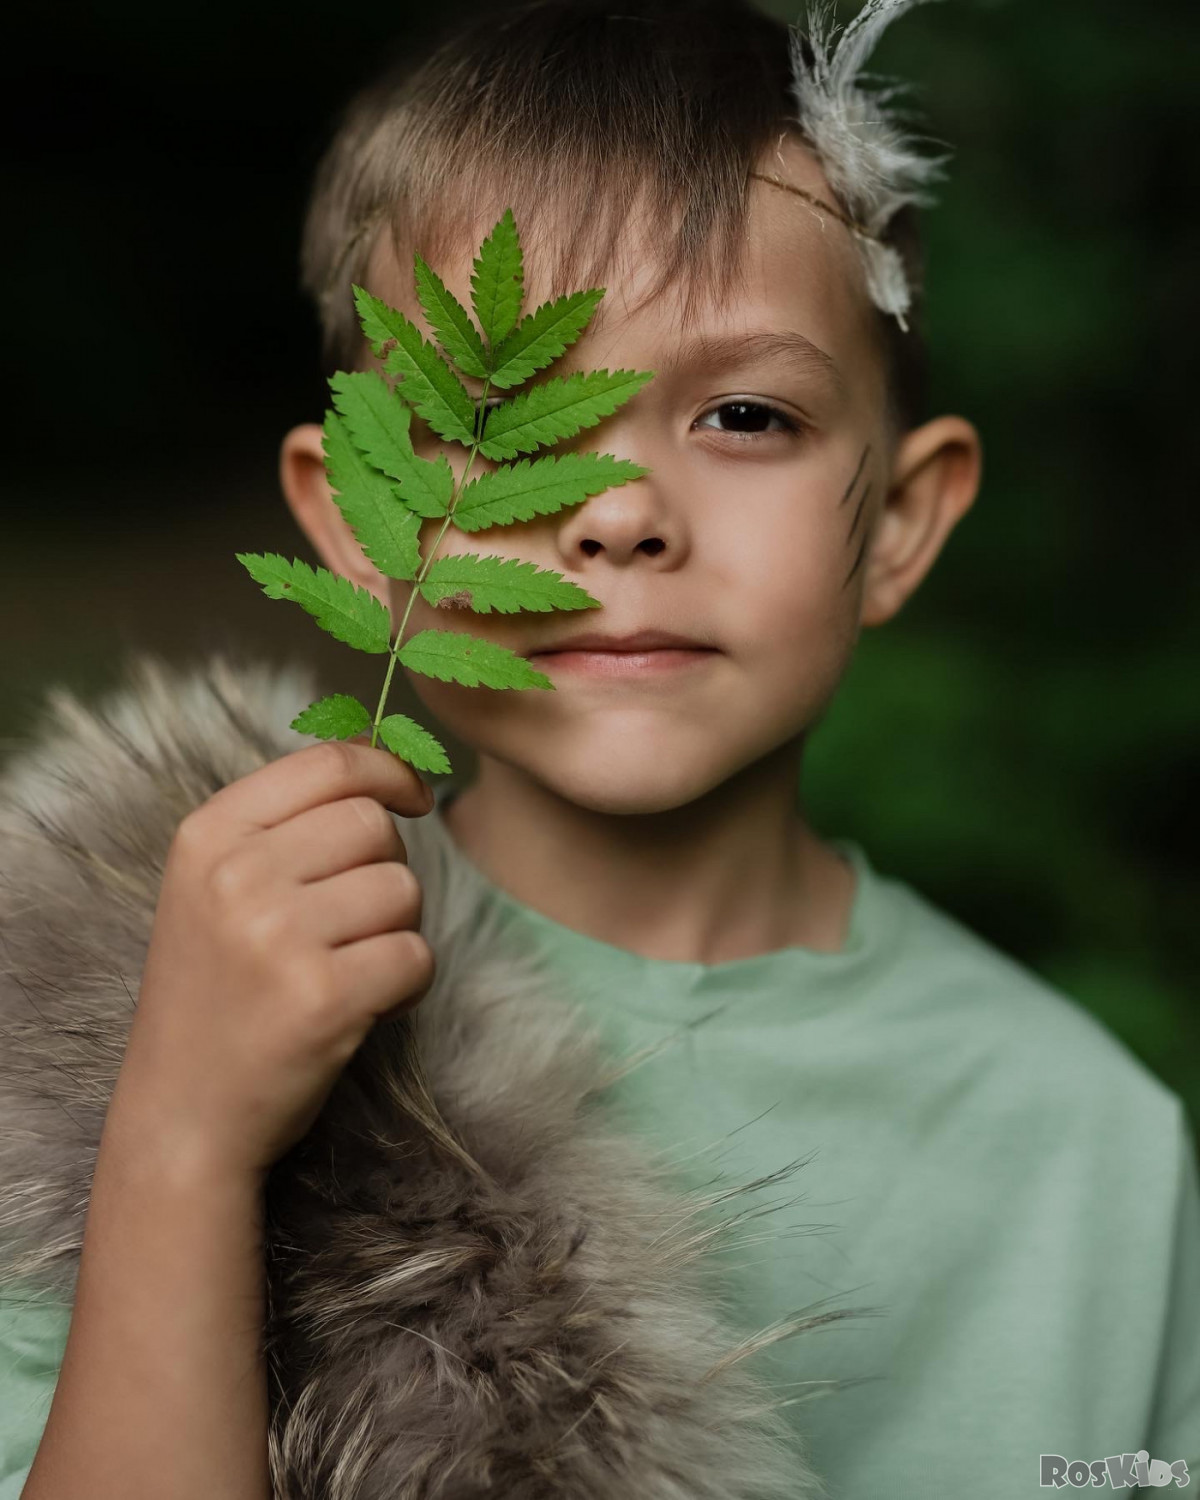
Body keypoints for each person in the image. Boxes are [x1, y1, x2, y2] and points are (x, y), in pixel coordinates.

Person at [2, 1, 1197, 1496]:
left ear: (900, 522)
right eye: (513, 430)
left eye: (747, 413)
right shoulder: (118, 1004)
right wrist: (181, 1137)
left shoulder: (1094, 1149)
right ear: (359, 521)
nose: (621, 515)